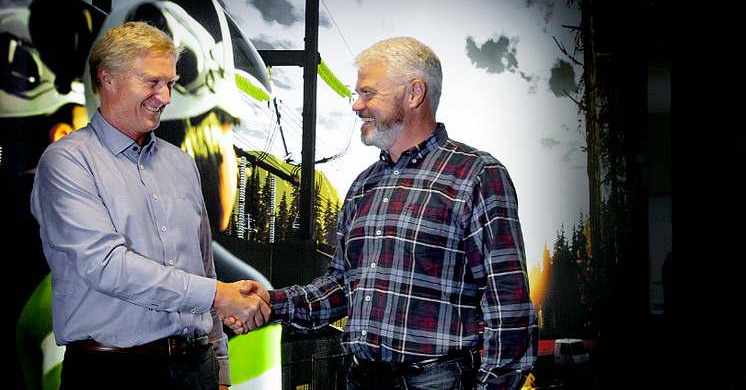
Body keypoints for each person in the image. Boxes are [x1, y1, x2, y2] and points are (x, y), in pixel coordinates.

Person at [226, 36, 538, 389]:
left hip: (439, 381)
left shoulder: (476, 174)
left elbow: (508, 306)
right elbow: (340, 287)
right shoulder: (363, 186)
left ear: (414, 93)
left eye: (368, 93)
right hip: (361, 379)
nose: (356, 106)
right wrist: (270, 302)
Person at [30, 21, 271, 390]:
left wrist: (220, 368)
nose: (166, 97)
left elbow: (202, 267)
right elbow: (108, 267)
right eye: (152, 82)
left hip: (196, 369)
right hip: (111, 373)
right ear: (106, 78)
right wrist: (220, 294)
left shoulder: (180, 164)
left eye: (171, 84)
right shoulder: (66, 161)